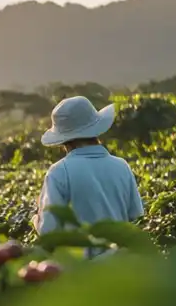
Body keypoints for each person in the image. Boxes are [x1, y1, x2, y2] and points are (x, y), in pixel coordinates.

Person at [33, 96, 144, 256]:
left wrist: (36, 220)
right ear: (96, 131)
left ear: (64, 141)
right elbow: (136, 218)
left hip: (83, 273)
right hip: (122, 268)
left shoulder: (59, 172)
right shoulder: (122, 166)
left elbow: (49, 233)